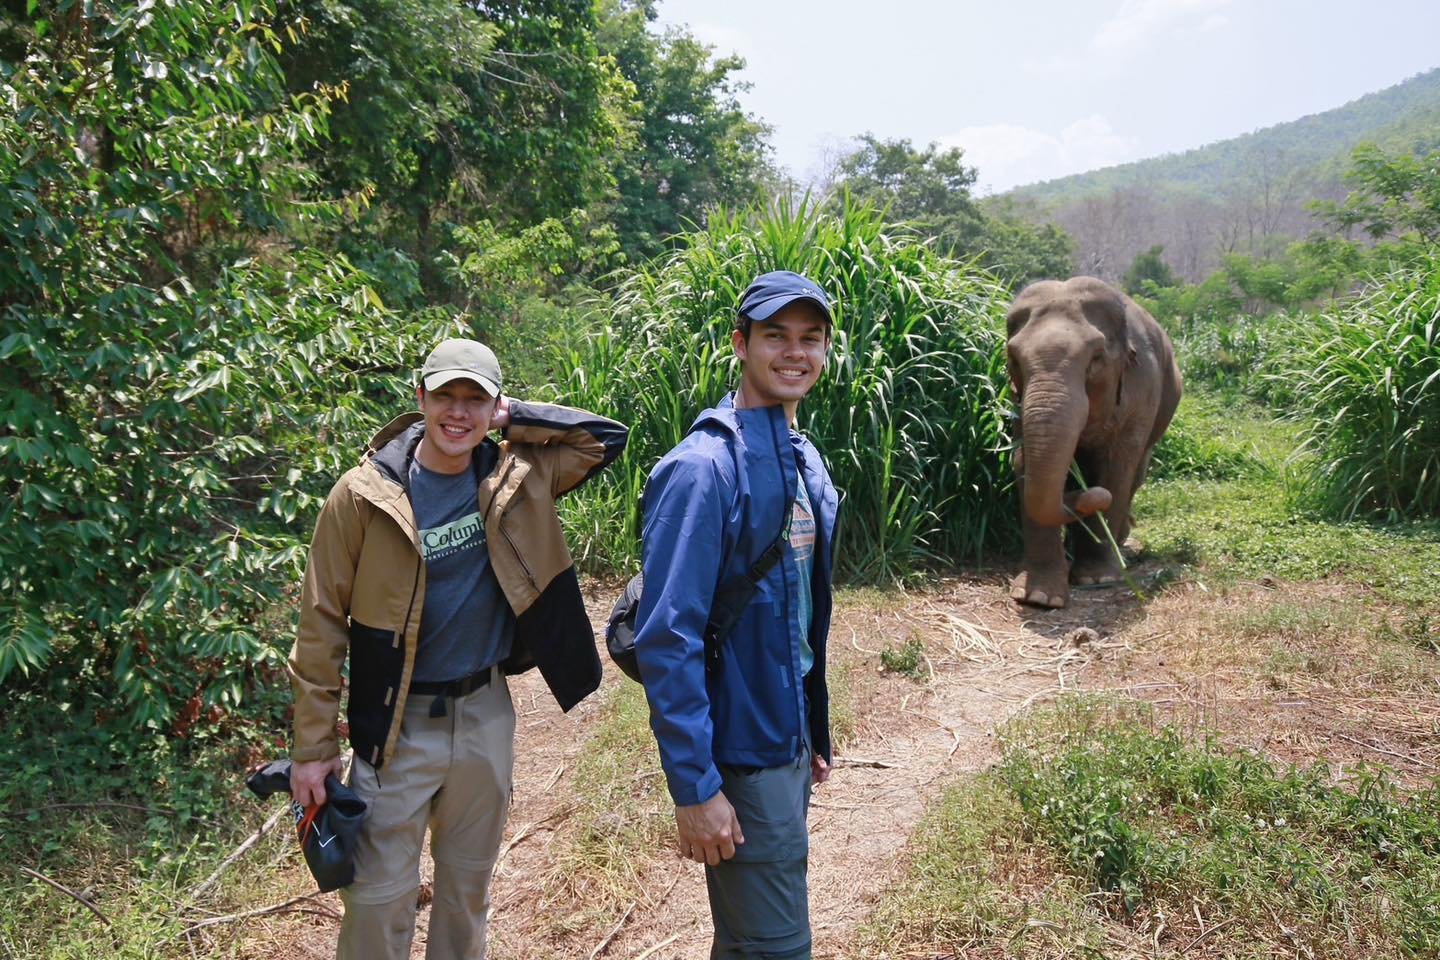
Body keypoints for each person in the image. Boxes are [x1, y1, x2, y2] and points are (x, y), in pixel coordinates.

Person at [286, 337, 627, 959]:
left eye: (476, 399)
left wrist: (516, 415)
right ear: (420, 398)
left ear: (494, 407)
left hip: (484, 714)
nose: (458, 413)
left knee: (467, 896)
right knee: (375, 901)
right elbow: (321, 621)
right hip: (394, 723)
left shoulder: (516, 476)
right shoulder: (364, 495)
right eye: (446, 395)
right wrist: (313, 748)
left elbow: (603, 438)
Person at [633, 271, 840, 958]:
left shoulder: (804, 460)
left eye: (811, 339)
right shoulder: (702, 469)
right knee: (776, 946)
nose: (794, 352)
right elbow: (668, 637)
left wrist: (810, 727)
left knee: (752, 939)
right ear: (739, 344)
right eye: (776, 335)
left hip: (782, 739)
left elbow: (799, 617)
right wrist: (695, 786)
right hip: (737, 755)